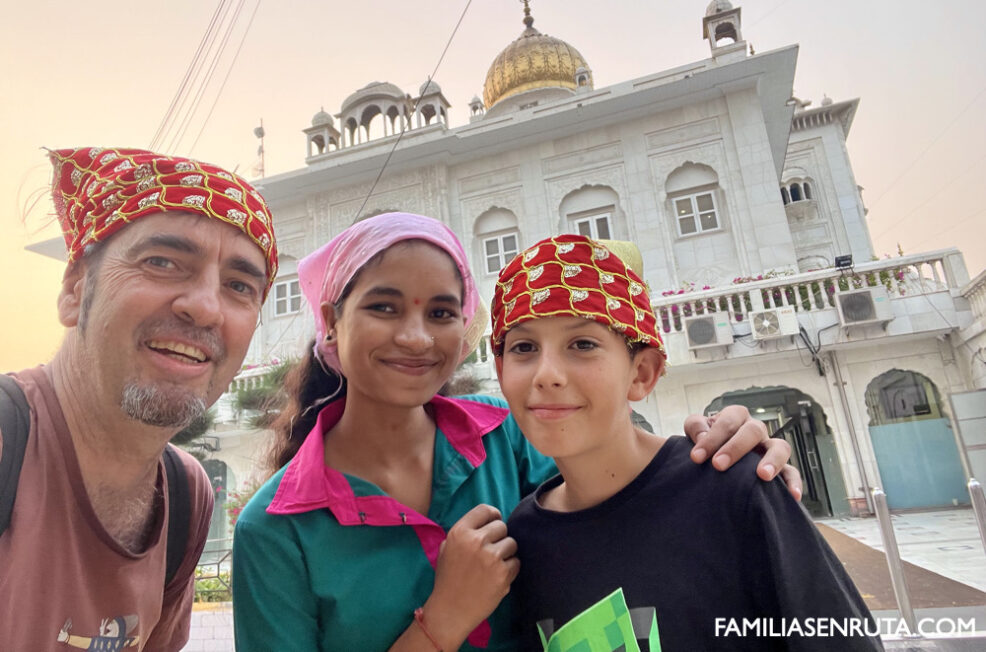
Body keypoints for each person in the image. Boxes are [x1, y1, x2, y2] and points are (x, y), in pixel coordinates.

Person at [231, 212, 801, 652]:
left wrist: (721, 467)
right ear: (331, 322)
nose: (415, 338)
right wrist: (446, 617)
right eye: (384, 307)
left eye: (441, 313)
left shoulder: (510, 436)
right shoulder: (277, 528)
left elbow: (628, 500)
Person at [495, 235, 881, 651]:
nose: (546, 374)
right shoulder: (522, 540)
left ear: (642, 372)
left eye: (583, 344)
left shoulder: (731, 490)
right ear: (501, 373)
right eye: (524, 347)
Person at [0, 147, 278, 651]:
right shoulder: (7, 446)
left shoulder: (185, 493)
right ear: (75, 288)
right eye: (162, 262)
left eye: (239, 285)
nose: (205, 308)